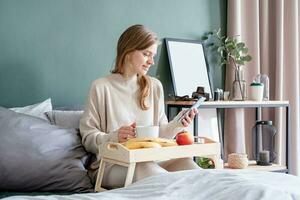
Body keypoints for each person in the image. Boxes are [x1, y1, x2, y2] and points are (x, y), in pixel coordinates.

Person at [80, 24, 200, 188]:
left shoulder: (154, 86)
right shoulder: (101, 87)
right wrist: (114, 136)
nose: (151, 61)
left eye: (153, 56)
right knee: (151, 172)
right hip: (111, 166)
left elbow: (160, 136)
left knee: (190, 168)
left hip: (153, 159)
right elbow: (88, 139)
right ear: (128, 52)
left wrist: (177, 125)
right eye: (146, 54)